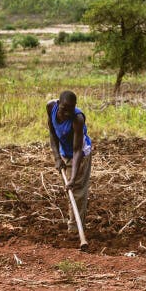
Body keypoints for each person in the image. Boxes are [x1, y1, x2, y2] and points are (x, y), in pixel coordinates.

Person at [47, 90, 92, 234]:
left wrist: (73, 178)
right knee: (69, 190)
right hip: (64, 152)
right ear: (58, 104)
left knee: (76, 190)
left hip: (80, 154)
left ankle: (75, 230)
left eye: (71, 109)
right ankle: (74, 222)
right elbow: (52, 134)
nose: (67, 113)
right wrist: (57, 158)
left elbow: (77, 150)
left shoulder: (77, 119)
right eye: (64, 109)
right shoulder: (50, 107)